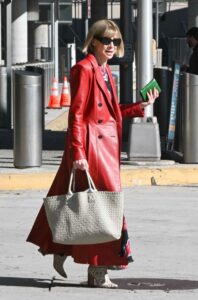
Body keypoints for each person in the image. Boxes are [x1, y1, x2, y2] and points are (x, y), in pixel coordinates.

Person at [27, 19, 159, 288]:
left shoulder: (105, 69)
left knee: (76, 202)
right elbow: (76, 114)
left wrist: (139, 106)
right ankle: (98, 271)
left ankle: (63, 249)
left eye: (116, 41)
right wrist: (78, 152)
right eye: (106, 40)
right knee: (105, 209)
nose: (111, 45)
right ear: (94, 41)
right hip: (91, 147)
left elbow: (109, 113)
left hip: (105, 147)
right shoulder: (84, 69)